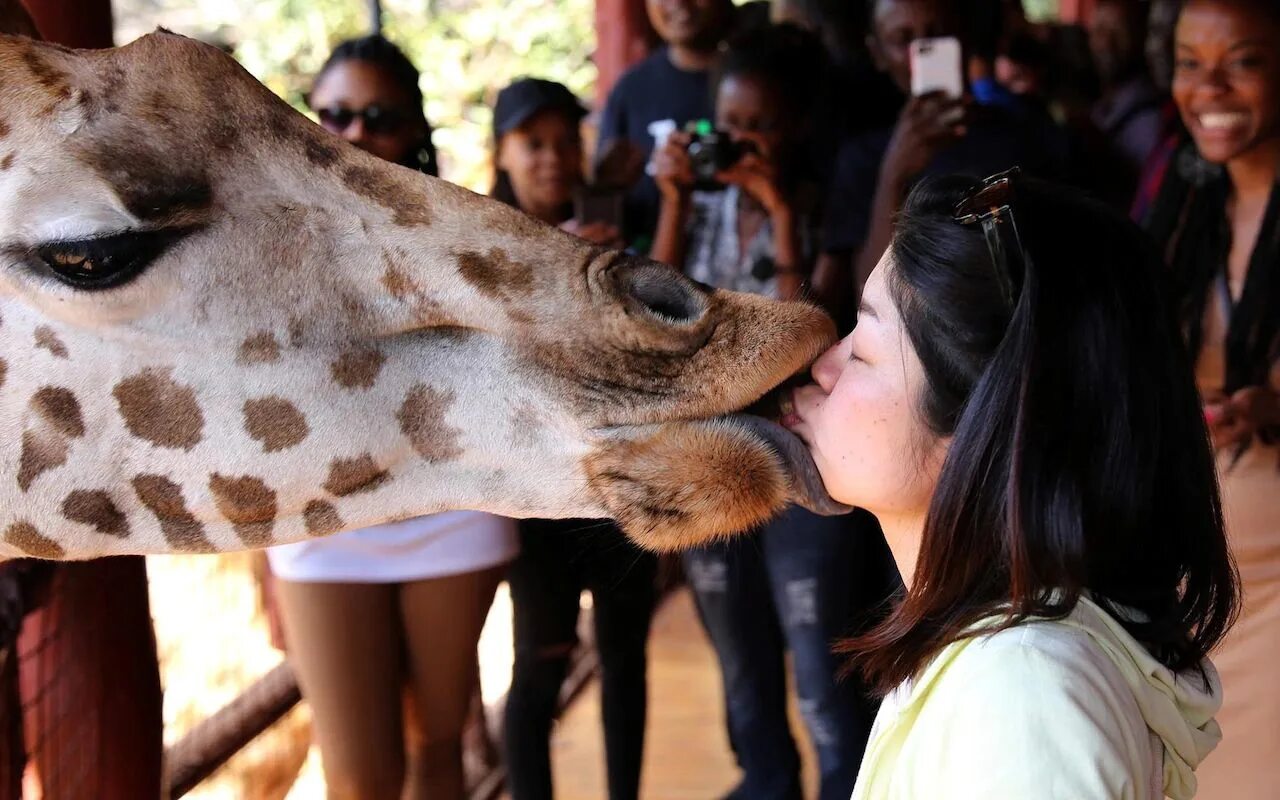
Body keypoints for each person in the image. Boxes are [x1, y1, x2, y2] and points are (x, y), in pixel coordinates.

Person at [784, 168, 1239, 799]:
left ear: (982, 423)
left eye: (863, 350)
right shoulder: (996, 658)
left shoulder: (1023, 696)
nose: (825, 365)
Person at [265, 36, 518, 800]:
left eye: (377, 116)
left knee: (437, 747)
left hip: (446, 511)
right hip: (321, 522)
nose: (353, 134)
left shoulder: (460, 231)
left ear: (414, 128)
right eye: (334, 113)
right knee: (359, 777)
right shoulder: (263, 238)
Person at [650, 25, 892, 800]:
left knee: (820, 659)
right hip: (712, 452)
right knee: (738, 653)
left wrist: (783, 213)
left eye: (764, 125)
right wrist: (674, 201)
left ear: (800, 127)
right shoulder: (703, 207)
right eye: (731, 126)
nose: (744, 142)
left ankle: (842, 787)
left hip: (804, 464)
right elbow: (656, 317)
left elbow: (805, 340)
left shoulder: (828, 208)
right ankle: (765, 780)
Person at [487, 77, 658, 800]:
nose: (553, 158)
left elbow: (651, 339)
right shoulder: (480, 235)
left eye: (565, 141)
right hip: (535, 491)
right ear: (501, 152)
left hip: (620, 478)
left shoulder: (615, 216)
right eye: (534, 143)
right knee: (538, 669)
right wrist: (557, 266)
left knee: (625, 659)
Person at [1141, 1, 1280, 796]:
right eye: (1191, 62)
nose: (1210, 87)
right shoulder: (1183, 199)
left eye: (1245, 60)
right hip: (1190, 581)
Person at [815, 0, 1066, 321]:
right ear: (877, 53)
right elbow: (868, 293)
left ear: (965, 38)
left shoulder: (1028, 136)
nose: (922, 53)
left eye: (939, 34)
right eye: (902, 39)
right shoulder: (863, 157)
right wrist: (895, 171)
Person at [594, 0, 734, 248]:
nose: (678, 3)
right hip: (655, 274)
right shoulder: (631, 90)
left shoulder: (758, 81)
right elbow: (609, 205)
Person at [1088, 0, 1168, 203]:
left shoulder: (1149, 122)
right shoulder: (1101, 107)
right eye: (1098, 30)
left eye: (1117, 32)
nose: (1105, 42)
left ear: (1141, 37)